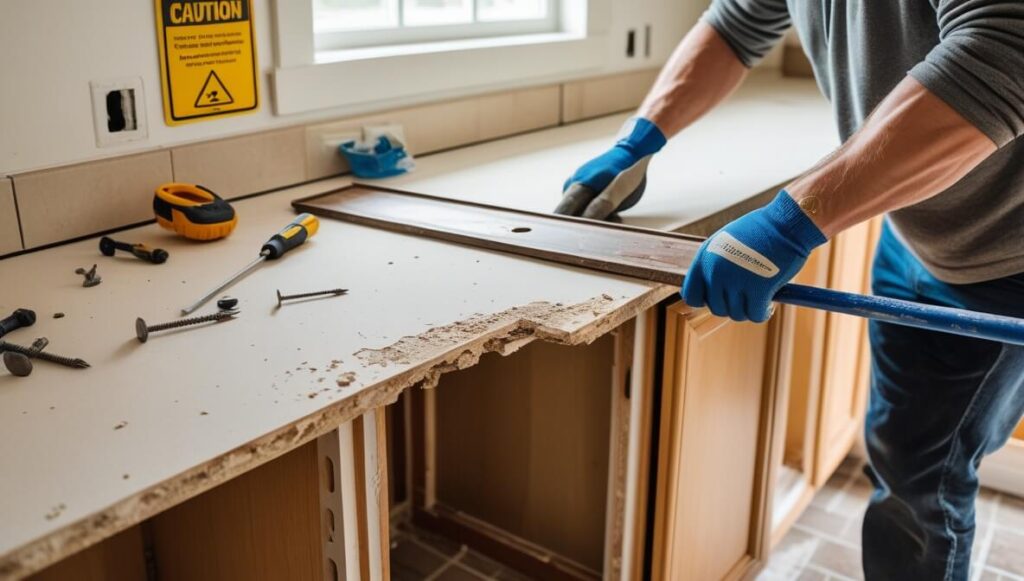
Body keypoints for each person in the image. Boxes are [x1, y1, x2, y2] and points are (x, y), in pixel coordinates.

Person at [556, 1, 1024, 578]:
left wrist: (788, 224)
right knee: (901, 451)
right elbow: (736, 24)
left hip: (1007, 254)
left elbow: (1005, 48)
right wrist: (639, 139)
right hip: (917, 231)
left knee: (924, 475)